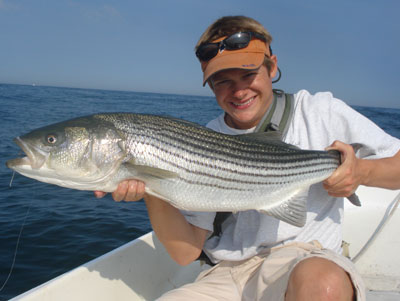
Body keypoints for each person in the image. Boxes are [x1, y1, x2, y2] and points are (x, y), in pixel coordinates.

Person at [95, 16, 400, 300]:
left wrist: (360, 172)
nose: (239, 91)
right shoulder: (201, 141)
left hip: (304, 259)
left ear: (272, 67)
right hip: (225, 273)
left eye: (248, 74)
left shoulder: (320, 111)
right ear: (210, 86)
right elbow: (185, 253)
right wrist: (151, 189)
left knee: (323, 286)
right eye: (223, 81)